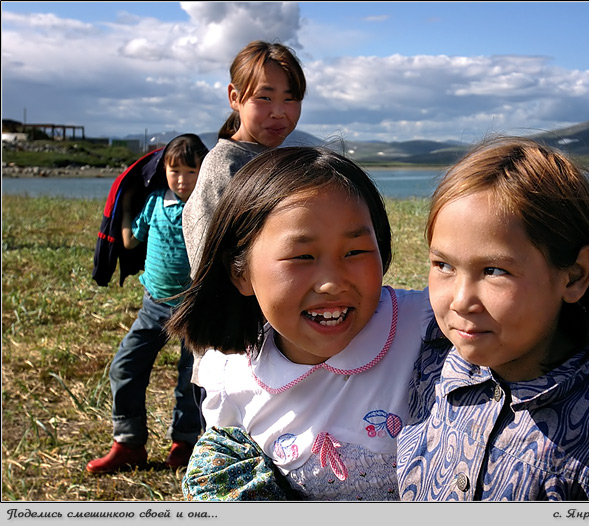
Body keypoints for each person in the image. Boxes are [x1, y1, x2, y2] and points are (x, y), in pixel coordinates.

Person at [396, 136, 589, 501]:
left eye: (494, 270)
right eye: (443, 265)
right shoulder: (430, 362)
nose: (460, 301)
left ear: (574, 275)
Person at [166, 146, 434, 501]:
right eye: (302, 257)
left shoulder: (424, 325)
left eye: (354, 252)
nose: (332, 282)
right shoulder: (230, 377)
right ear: (240, 272)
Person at [86, 134, 209, 474]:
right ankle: (128, 443)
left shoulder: (208, 206)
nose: (182, 180)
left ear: (205, 171)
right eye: (174, 171)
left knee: (193, 379)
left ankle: (185, 443)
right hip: (154, 304)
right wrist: (125, 208)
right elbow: (129, 240)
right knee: (125, 365)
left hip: (194, 309)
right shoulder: (155, 201)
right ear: (164, 172)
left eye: (190, 171)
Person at [183, 40, 307, 277]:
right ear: (234, 97)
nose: (279, 112)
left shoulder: (283, 161)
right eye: (265, 98)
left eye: (290, 99)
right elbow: (206, 262)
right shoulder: (224, 164)